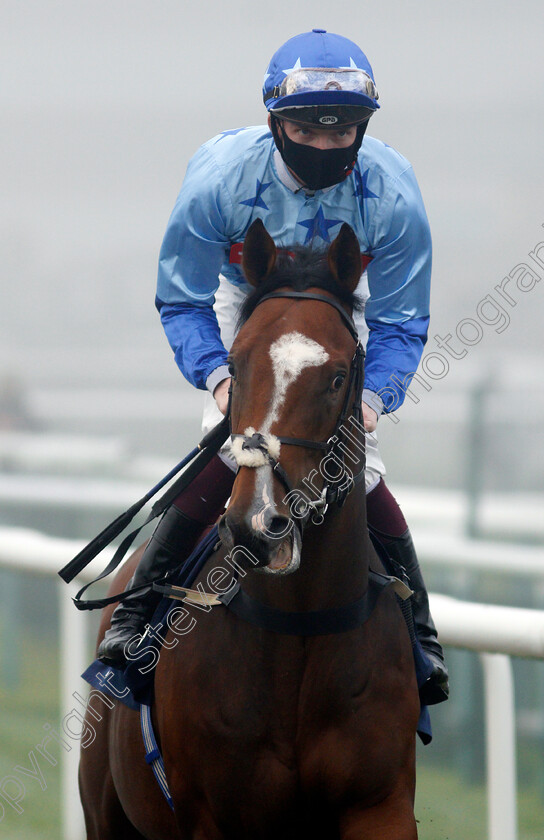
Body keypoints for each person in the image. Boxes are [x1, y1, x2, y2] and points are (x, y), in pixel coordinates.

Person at [98, 29, 449, 704]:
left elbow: (404, 320)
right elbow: (183, 295)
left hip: (344, 304)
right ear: (275, 123)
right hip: (246, 298)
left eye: (342, 132)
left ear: (362, 128)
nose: (324, 146)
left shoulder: (394, 194)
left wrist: (375, 397)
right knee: (239, 446)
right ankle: (139, 612)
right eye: (306, 131)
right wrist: (219, 376)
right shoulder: (220, 177)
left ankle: (419, 630)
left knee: (360, 458)